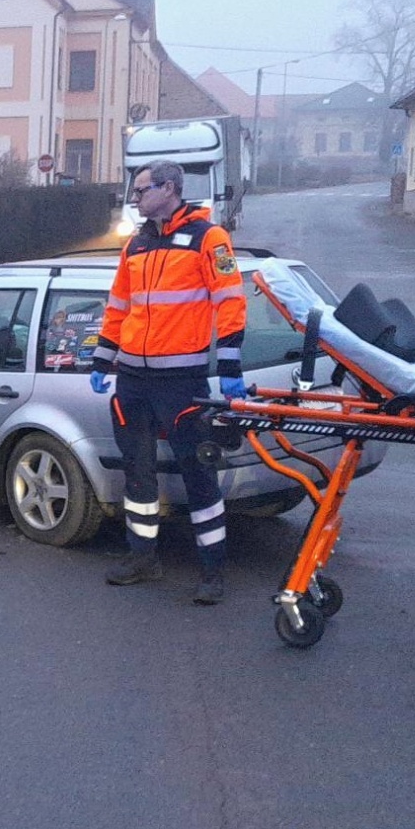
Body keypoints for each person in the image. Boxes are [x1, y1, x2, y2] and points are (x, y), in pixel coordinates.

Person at [89, 159, 247, 605]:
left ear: (170, 188)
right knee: (137, 472)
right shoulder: (136, 245)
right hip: (133, 379)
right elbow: (118, 305)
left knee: (198, 472)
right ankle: (143, 557)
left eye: (141, 191)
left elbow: (230, 300)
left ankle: (213, 571)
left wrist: (231, 365)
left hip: (181, 381)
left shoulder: (208, 238)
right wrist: (103, 360)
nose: (135, 199)